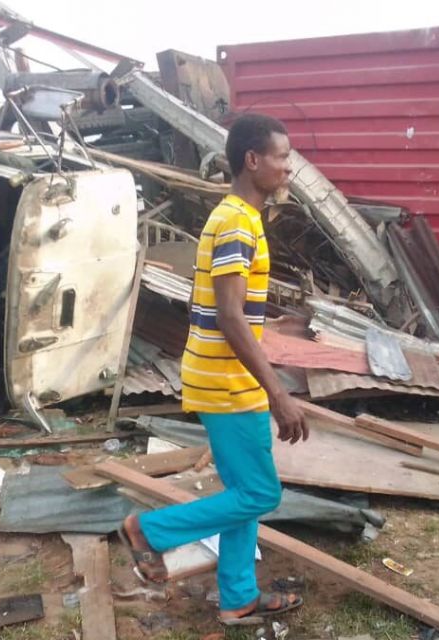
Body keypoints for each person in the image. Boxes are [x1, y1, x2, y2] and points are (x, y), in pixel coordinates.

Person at [116, 113, 309, 626]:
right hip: (226, 383)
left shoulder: (240, 218)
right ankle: (148, 531)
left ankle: (238, 598)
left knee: (242, 494)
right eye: (282, 157)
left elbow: (235, 310)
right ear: (253, 160)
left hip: (226, 378)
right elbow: (228, 315)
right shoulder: (236, 222)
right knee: (261, 493)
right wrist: (279, 393)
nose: (289, 168)